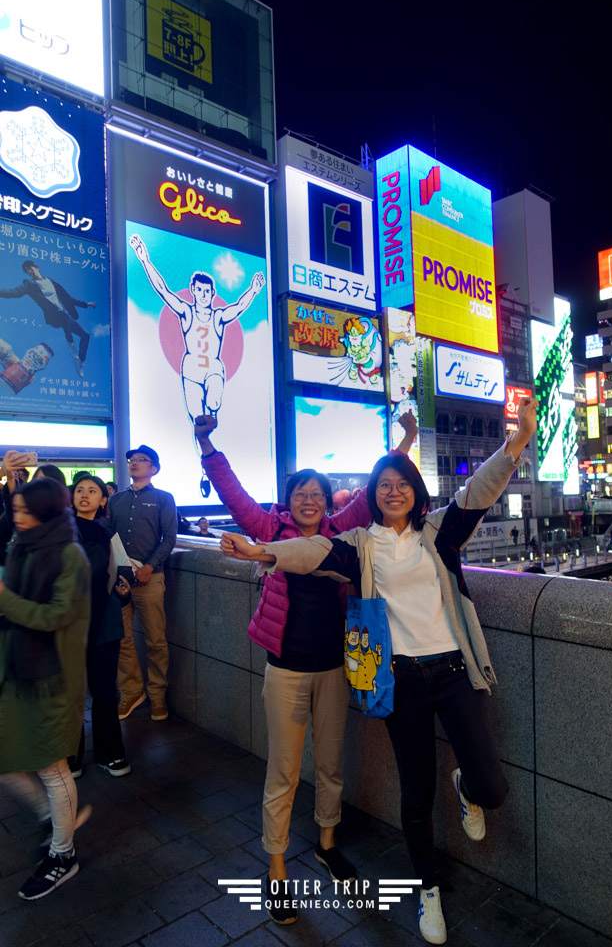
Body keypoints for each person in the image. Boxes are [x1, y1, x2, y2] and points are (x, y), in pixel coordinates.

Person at [220, 396, 538, 945]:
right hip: (400, 678)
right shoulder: (358, 545)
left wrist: (516, 444)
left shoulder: (440, 533)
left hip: (454, 670)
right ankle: (428, 894)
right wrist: (264, 554)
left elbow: (479, 493)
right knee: (414, 793)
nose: (394, 491)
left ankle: (468, 788)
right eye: (384, 486)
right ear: (372, 496)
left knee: (492, 784)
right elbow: (312, 551)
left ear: (415, 491)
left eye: (403, 484)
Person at [194, 410, 418, 926]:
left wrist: (405, 439)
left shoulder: (343, 533)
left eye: (317, 494)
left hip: (335, 670)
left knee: (332, 765)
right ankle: (276, 871)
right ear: (289, 500)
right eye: (301, 494)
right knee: (284, 771)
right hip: (286, 669)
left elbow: (374, 490)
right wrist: (207, 446)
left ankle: (327, 842)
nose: (310, 501)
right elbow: (234, 495)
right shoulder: (269, 530)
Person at [0, 478, 91, 900]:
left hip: (52, 677)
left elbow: (54, 617)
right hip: (19, 669)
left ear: (47, 513)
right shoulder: (25, 544)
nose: (16, 518)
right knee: (8, 756)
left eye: (23, 510)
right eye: (14, 509)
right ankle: (52, 817)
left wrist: (3, 596)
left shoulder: (71, 556)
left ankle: (62, 853)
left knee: (52, 767)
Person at [129, 233, 265, 496]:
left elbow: (238, 307)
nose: (203, 294)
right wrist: (144, 259)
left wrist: (254, 289)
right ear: (193, 292)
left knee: (210, 409)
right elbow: (163, 290)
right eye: (199, 290)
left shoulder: (218, 315)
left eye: (207, 291)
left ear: (213, 294)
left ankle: (212, 427)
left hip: (213, 368)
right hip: (191, 369)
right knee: (196, 422)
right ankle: (205, 469)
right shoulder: (186, 311)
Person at [104, 445, 177, 722]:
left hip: (151, 578)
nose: (134, 463)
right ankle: (132, 691)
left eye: (142, 460)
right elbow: (109, 537)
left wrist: (149, 566)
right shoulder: (116, 500)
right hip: (120, 579)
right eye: (132, 460)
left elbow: (169, 538)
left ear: (154, 468)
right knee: (122, 639)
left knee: (156, 640)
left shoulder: (163, 498)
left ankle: (158, 695)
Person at [70, 476, 131, 778]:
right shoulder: (61, 531)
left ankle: (109, 753)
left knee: (105, 688)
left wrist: (124, 590)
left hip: (104, 621)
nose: (84, 495)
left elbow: (123, 575)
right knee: (71, 691)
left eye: (92, 490)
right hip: (70, 621)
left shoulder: (109, 533)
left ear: (103, 499)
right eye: (79, 490)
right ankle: (71, 754)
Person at [0, 261, 96, 376]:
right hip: (54, 317)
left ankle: (80, 361)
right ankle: (73, 355)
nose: (30, 272)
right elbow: (15, 292)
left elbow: (67, 297)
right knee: (63, 316)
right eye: (27, 271)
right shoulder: (30, 284)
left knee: (86, 335)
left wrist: (85, 304)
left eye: (30, 268)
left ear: (37, 267)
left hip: (65, 316)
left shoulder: (50, 281)